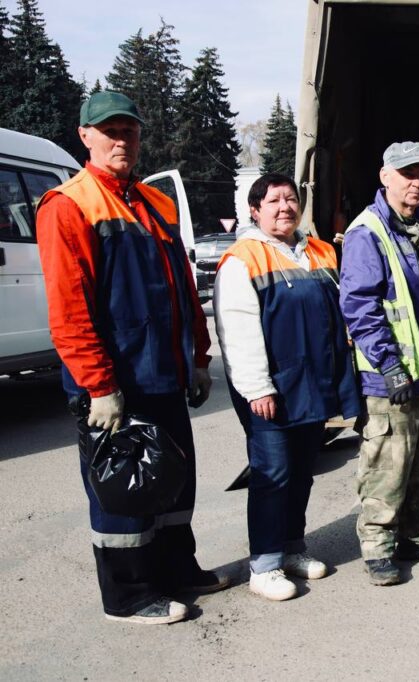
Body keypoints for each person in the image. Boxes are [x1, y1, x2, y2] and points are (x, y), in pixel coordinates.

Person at [36, 91, 225, 624]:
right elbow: (69, 310)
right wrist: (99, 385)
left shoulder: (153, 202)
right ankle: (129, 595)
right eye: (110, 131)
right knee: (124, 490)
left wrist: (199, 357)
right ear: (85, 136)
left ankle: (176, 572)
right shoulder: (68, 204)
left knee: (172, 481)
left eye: (130, 131)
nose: (121, 139)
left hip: (163, 374)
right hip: (116, 383)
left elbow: (184, 290)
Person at [214, 173, 361, 601]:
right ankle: (264, 564)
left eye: (291, 199)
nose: (285, 207)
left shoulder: (319, 251)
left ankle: (293, 547)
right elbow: (236, 329)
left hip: (313, 386)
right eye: (274, 201)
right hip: (271, 392)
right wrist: (257, 387)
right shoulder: (244, 259)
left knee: (301, 473)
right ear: (255, 210)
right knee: (272, 474)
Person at [339, 141, 419, 586]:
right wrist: (389, 364)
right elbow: (359, 306)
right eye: (407, 173)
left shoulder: (415, 230)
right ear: (385, 176)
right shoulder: (367, 232)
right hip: (392, 374)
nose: (416, 182)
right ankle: (377, 547)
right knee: (387, 463)